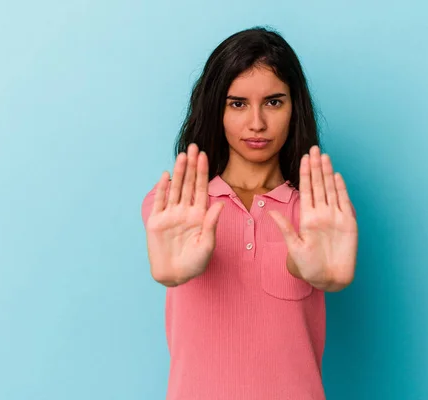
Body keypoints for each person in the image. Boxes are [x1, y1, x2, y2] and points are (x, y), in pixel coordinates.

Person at [141, 26, 358, 400]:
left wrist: (328, 278)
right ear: (215, 109)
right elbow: (167, 253)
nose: (256, 123)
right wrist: (172, 272)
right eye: (237, 103)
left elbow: (316, 266)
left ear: (295, 108)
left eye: (274, 102)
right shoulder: (175, 208)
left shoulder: (322, 213)